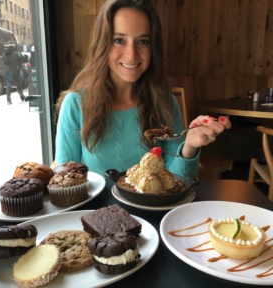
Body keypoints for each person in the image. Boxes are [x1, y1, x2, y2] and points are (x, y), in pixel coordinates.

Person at [54, 0, 231, 179]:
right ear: (103, 45)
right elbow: (65, 183)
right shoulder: (76, 104)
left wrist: (190, 147)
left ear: (153, 47)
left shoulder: (165, 104)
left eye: (143, 41)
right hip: (96, 208)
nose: (132, 54)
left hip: (156, 207)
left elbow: (177, 181)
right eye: (119, 40)